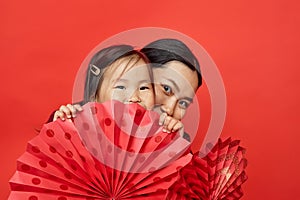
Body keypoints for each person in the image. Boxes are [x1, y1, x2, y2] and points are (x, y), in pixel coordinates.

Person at [52, 43, 184, 133]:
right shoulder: (80, 127)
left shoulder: (158, 131)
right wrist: (60, 128)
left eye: (143, 88)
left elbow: (177, 172)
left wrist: (175, 140)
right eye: (121, 87)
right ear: (94, 96)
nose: (134, 97)